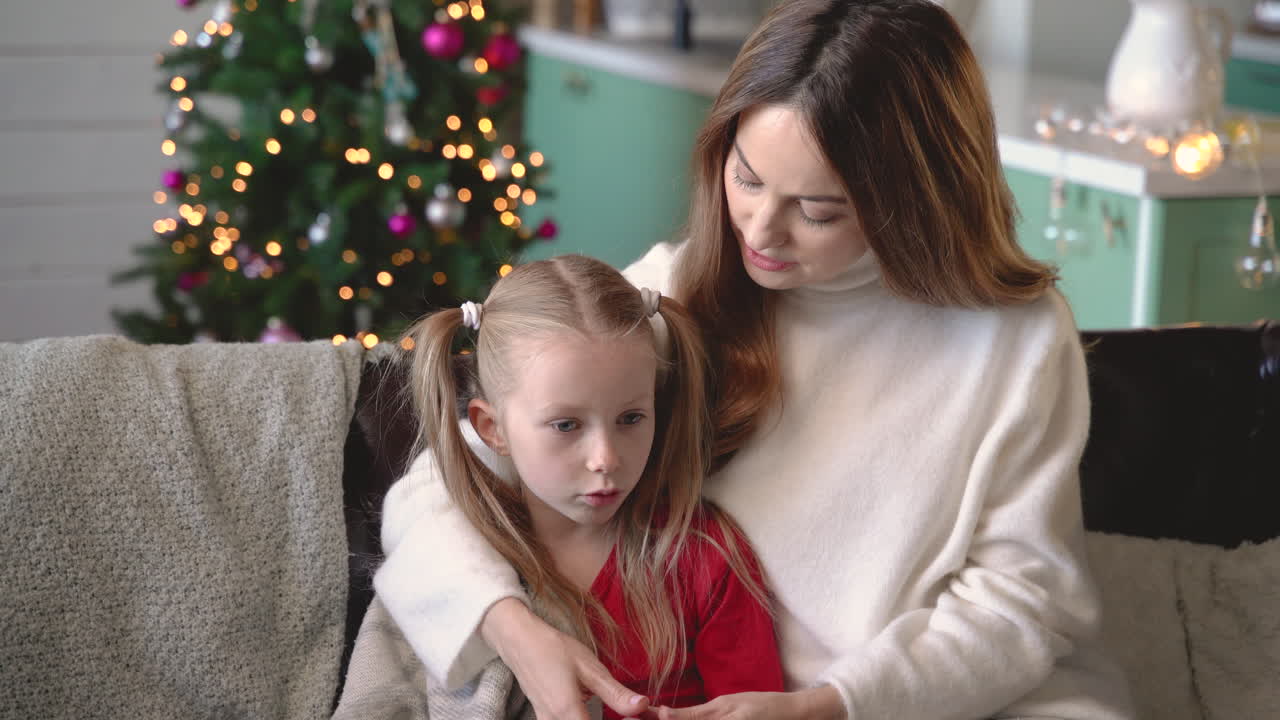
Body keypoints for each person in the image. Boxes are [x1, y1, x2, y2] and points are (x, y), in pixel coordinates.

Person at [374, 1, 1136, 718]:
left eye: (818, 209)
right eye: (746, 177)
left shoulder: (1018, 339)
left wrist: (831, 704)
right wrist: (518, 633)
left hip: (933, 699)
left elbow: (1025, 604)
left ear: (917, 198)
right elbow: (432, 495)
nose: (761, 230)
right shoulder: (670, 299)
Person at [398, 254, 785, 717]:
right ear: (492, 428)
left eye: (631, 418)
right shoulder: (462, 556)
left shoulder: (702, 556)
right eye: (566, 425)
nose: (606, 459)